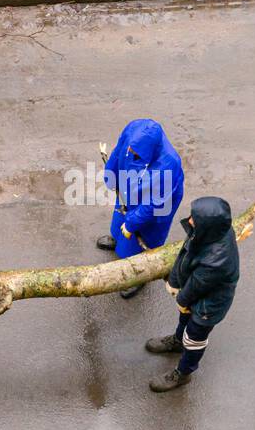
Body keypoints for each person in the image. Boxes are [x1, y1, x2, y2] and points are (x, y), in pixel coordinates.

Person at [144, 196, 240, 392]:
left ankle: (183, 373)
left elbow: (198, 285)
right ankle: (178, 341)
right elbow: (185, 255)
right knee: (185, 316)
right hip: (195, 291)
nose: (189, 221)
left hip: (210, 305)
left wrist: (181, 299)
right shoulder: (207, 232)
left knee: (195, 335)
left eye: (195, 218)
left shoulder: (217, 260)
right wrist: (175, 281)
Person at [97, 119, 185, 299]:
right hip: (129, 187)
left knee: (143, 235)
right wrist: (110, 173)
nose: (130, 152)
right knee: (120, 216)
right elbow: (118, 151)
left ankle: (139, 275)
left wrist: (131, 223)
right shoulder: (133, 130)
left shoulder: (169, 164)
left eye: (135, 153)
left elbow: (154, 204)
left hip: (156, 204)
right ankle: (118, 238)